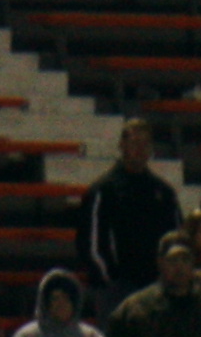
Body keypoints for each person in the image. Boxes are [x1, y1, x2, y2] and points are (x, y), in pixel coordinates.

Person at [75, 121, 181, 299]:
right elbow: (90, 245)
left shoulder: (164, 192)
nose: (140, 149)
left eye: (145, 143)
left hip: (158, 289)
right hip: (116, 291)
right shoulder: (103, 191)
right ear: (121, 145)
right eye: (134, 143)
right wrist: (111, 280)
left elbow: (177, 238)